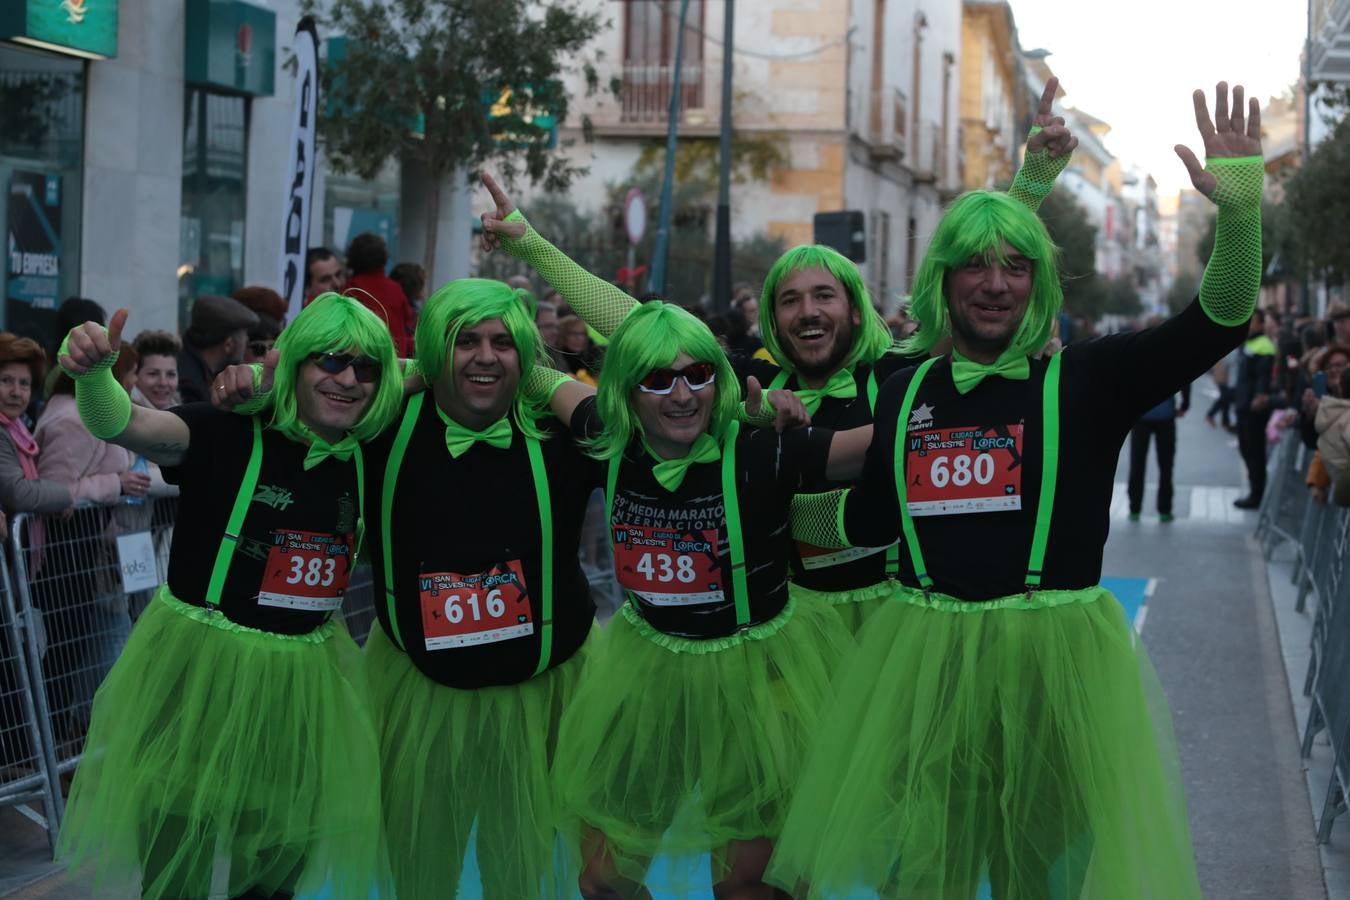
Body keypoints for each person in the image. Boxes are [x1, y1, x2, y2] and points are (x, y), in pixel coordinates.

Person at [763, 81, 1263, 899]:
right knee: (923, 875)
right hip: (923, 670)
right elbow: (875, 516)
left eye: (1017, 266)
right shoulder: (903, 386)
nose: (996, 283)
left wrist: (1241, 214)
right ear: (944, 282)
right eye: (975, 266)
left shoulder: (1090, 379)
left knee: (1042, 875)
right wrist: (769, 513)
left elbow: (1217, 320)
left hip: (1051, 670)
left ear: (1039, 283)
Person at [480, 79, 1078, 634]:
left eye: (824, 295)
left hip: (893, 624)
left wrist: (1030, 184)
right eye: (789, 300)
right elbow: (639, 326)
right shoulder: (751, 383)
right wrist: (530, 244)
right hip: (790, 625)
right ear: (772, 316)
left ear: (855, 307)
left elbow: (971, 303)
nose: (808, 311)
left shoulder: (899, 378)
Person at [54, 294, 403, 900]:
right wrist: (92, 376)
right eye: (328, 361)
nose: (348, 379)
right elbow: (125, 423)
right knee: (175, 854)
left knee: (277, 864)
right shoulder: (228, 430)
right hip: (200, 669)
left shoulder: (371, 456)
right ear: (294, 363)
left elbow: (434, 373)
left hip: (305, 681)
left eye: (366, 368)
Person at [518, 302, 867, 899]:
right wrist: (413, 370)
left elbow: (899, 439)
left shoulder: (763, 449)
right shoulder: (606, 433)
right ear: (626, 391)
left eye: (697, 375)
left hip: (761, 682)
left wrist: (1002, 366)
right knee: (602, 880)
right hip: (647, 672)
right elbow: (533, 369)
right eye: (657, 379)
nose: (682, 395)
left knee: (751, 889)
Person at [33, 346, 150, 747]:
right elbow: (53, 492)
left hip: (84, 552)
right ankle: (53, 747)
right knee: (68, 654)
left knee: (78, 649)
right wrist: (115, 484)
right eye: (132, 374)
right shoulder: (73, 419)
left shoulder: (85, 411)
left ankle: (61, 744)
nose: (133, 384)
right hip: (65, 555)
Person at [1126, 315, 1192, 522]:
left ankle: (1134, 508)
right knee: (1166, 465)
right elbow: (1185, 379)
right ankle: (1164, 510)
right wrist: (1184, 405)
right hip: (1166, 417)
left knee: (1137, 464)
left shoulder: (1137, 351)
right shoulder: (1174, 353)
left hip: (1141, 416)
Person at [177, 294, 259, 404]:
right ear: (228, 345)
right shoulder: (190, 386)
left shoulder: (188, 364)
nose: (247, 344)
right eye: (245, 337)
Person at [1233, 307, 1276, 508]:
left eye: (1252, 321)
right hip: (1243, 406)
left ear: (1260, 324)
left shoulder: (1264, 346)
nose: (1248, 325)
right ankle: (1253, 491)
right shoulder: (1247, 343)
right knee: (1246, 449)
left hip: (1254, 409)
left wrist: (1258, 397)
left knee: (1255, 452)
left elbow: (1263, 377)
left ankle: (1256, 495)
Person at [345, 232, 415, 356]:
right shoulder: (395, 288)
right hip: (397, 359)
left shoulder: (352, 288)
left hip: (367, 360)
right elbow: (408, 323)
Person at [131, 330, 181, 411]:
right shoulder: (124, 417)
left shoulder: (180, 411)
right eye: (153, 374)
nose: (163, 383)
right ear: (135, 374)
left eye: (171, 374)